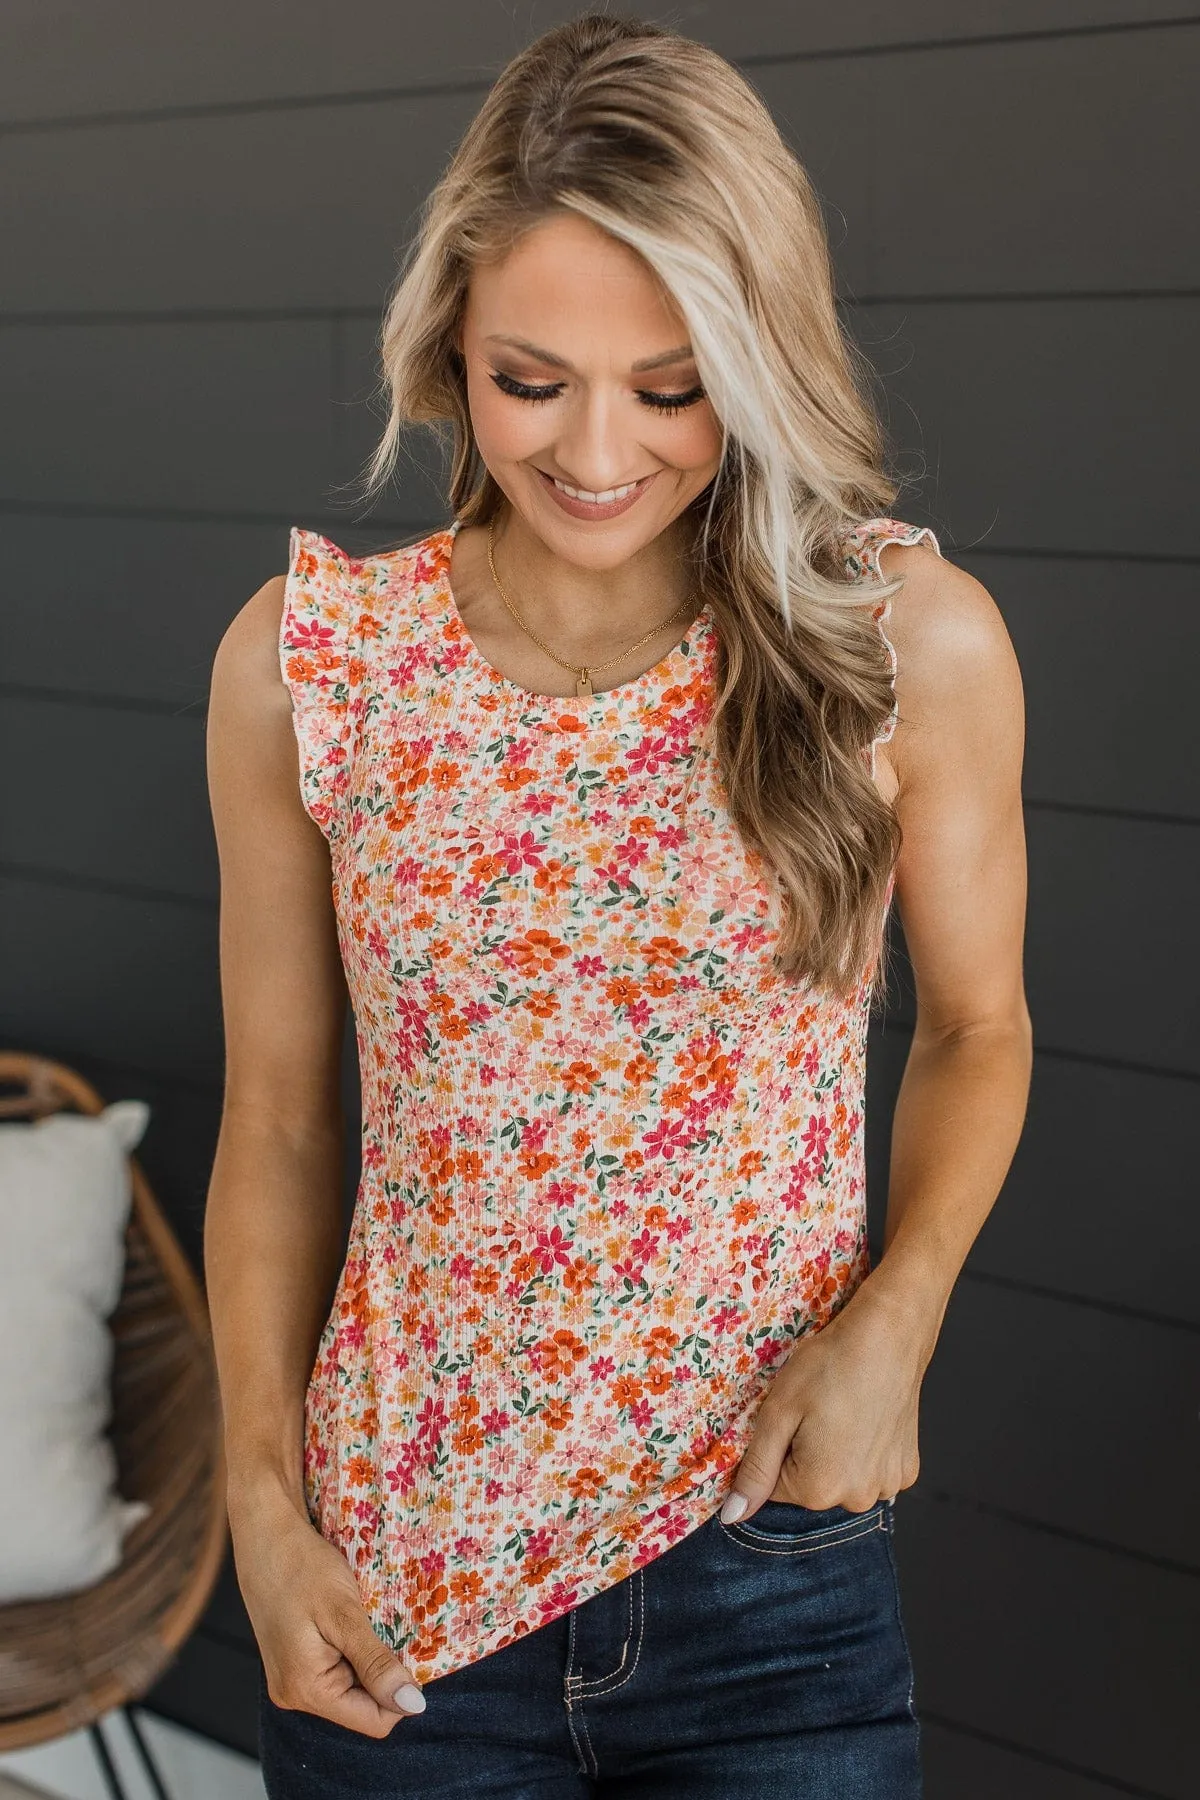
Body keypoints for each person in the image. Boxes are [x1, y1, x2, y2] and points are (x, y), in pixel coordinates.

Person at [204, 13, 1031, 1797]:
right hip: (395, 1592)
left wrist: (900, 1318)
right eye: (531, 378)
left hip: (772, 1568)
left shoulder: (904, 643)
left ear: (761, 358)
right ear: (447, 353)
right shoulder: (313, 665)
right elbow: (276, 1117)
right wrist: (259, 1515)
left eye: (671, 386)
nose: (594, 451)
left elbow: (980, 1028)